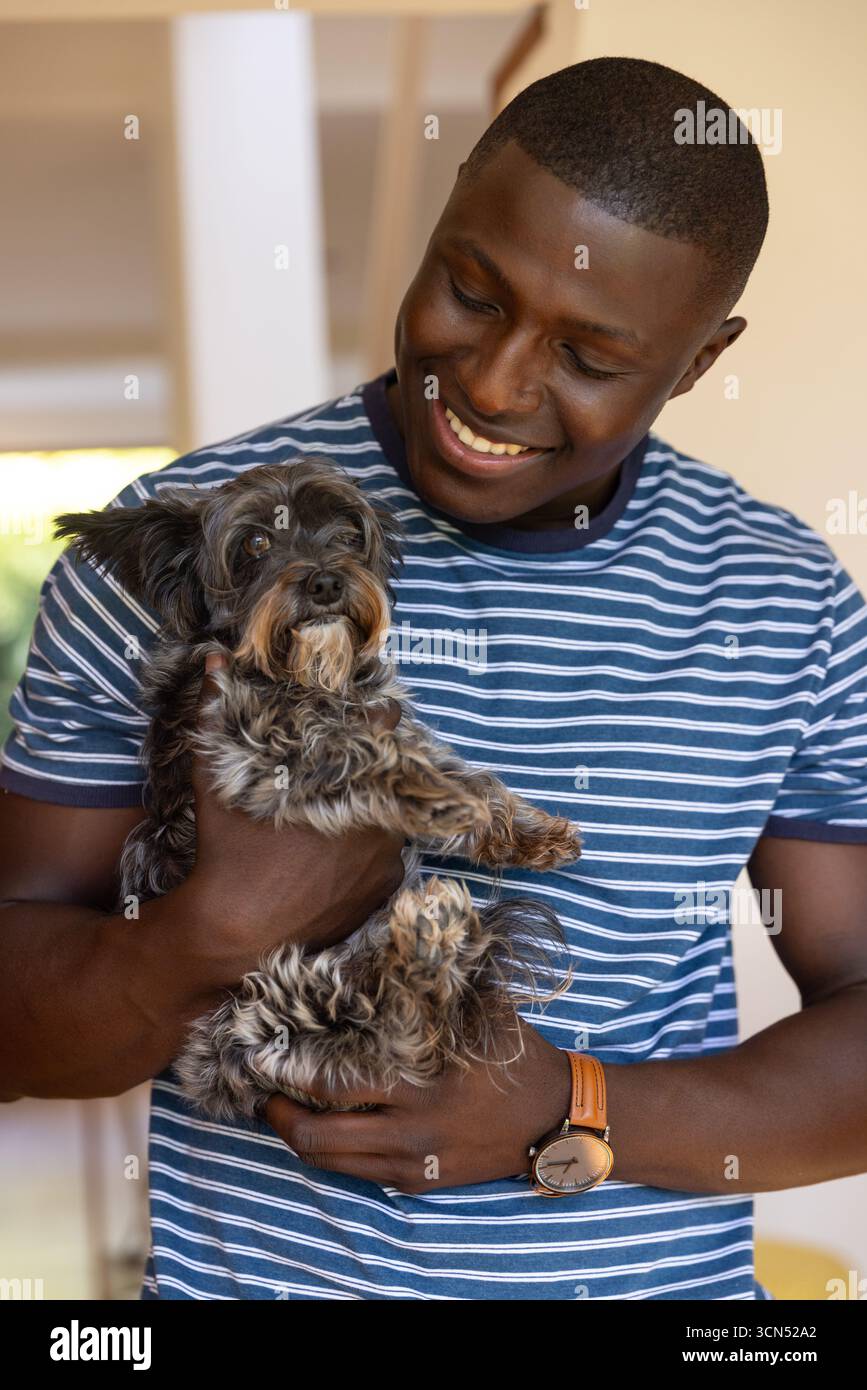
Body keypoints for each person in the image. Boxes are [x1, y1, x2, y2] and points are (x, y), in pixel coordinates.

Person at [2, 57, 866, 1302]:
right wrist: (205, 937)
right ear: (451, 205)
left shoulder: (782, 602)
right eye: (470, 290)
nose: (493, 383)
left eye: (590, 355)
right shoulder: (184, 541)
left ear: (696, 361)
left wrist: (572, 1107)